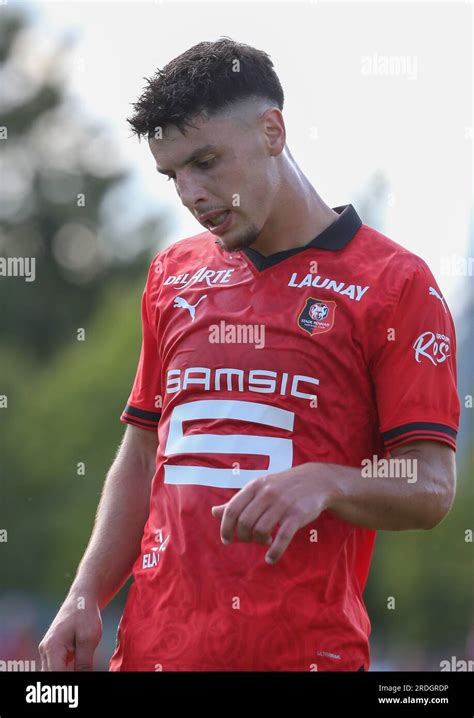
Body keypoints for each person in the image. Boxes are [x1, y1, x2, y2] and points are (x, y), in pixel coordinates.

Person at [39, 37, 460, 672]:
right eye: (172, 173)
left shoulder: (395, 285)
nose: (189, 191)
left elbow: (430, 484)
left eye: (206, 161)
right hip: (151, 656)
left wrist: (329, 481)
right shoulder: (172, 276)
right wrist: (85, 593)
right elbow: (146, 450)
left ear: (272, 130)